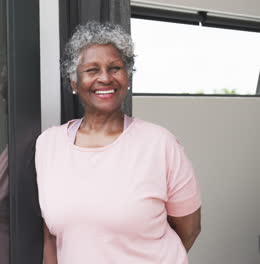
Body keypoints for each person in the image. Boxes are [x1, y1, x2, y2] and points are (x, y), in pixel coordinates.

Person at [35, 21, 201, 264]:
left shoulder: (160, 143)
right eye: (92, 70)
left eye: (115, 68)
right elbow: (51, 236)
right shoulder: (48, 145)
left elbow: (189, 229)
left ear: (127, 77)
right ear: (73, 82)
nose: (105, 78)